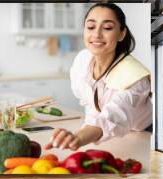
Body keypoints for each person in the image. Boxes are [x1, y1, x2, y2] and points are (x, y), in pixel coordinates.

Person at [44, 3, 152, 151]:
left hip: (143, 137)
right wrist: (86, 129)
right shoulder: (82, 60)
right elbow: (89, 104)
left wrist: (79, 137)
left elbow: (112, 116)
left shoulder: (134, 76)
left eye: (107, 28)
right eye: (90, 27)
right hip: (106, 135)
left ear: (121, 34)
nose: (96, 34)